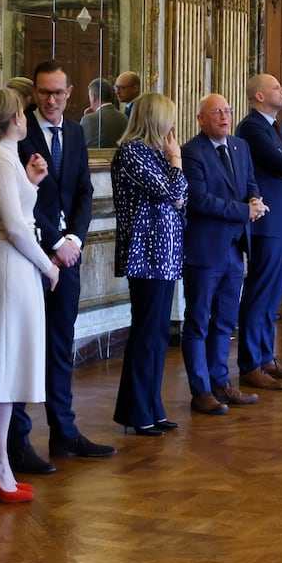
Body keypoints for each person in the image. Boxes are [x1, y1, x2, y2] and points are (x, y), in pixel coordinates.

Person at [10, 61, 112, 473]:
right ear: (34, 93)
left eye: (58, 92)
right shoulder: (18, 133)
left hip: (67, 259)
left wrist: (73, 241)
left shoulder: (74, 131)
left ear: (70, 93)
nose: (51, 100)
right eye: (44, 92)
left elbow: (83, 193)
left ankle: (64, 432)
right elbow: (20, 199)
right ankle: (17, 440)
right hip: (27, 256)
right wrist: (53, 241)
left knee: (58, 345)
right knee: (21, 348)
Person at [0, 88, 59, 505]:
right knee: (1, 370)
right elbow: (17, 228)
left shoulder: (6, 158)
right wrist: (48, 264)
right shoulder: (0, 158)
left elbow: (18, 214)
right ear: (10, 120)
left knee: (7, 368)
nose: (26, 118)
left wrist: (32, 183)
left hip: (12, 263)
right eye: (21, 112)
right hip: (7, 264)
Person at [181, 93, 265, 413]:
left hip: (235, 248)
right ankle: (200, 389)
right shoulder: (192, 152)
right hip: (204, 250)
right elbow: (200, 200)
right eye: (216, 111)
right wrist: (245, 210)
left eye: (228, 111)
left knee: (226, 321)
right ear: (201, 118)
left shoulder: (240, 147)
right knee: (199, 320)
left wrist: (255, 202)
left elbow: (250, 183)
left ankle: (222, 383)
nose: (224, 116)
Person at [110, 93, 187, 436]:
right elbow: (172, 192)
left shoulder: (156, 153)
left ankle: (152, 407)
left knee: (157, 334)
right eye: (168, 118)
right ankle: (136, 411)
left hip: (165, 254)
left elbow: (182, 197)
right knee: (145, 333)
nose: (173, 126)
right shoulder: (132, 152)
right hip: (146, 253)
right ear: (155, 120)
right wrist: (177, 161)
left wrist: (173, 171)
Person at [235, 73, 282, 391]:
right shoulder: (252, 127)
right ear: (260, 97)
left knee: (274, 292)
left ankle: (267, 357)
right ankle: (251, 363)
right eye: (277, 88)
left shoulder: (280, 127)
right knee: (260, 292)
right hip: (266, 222)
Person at [79, 77, 127, 149]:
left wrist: (88, 118)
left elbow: (77, 146)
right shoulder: (124, 118)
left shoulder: (88, 119)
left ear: (93, 97)